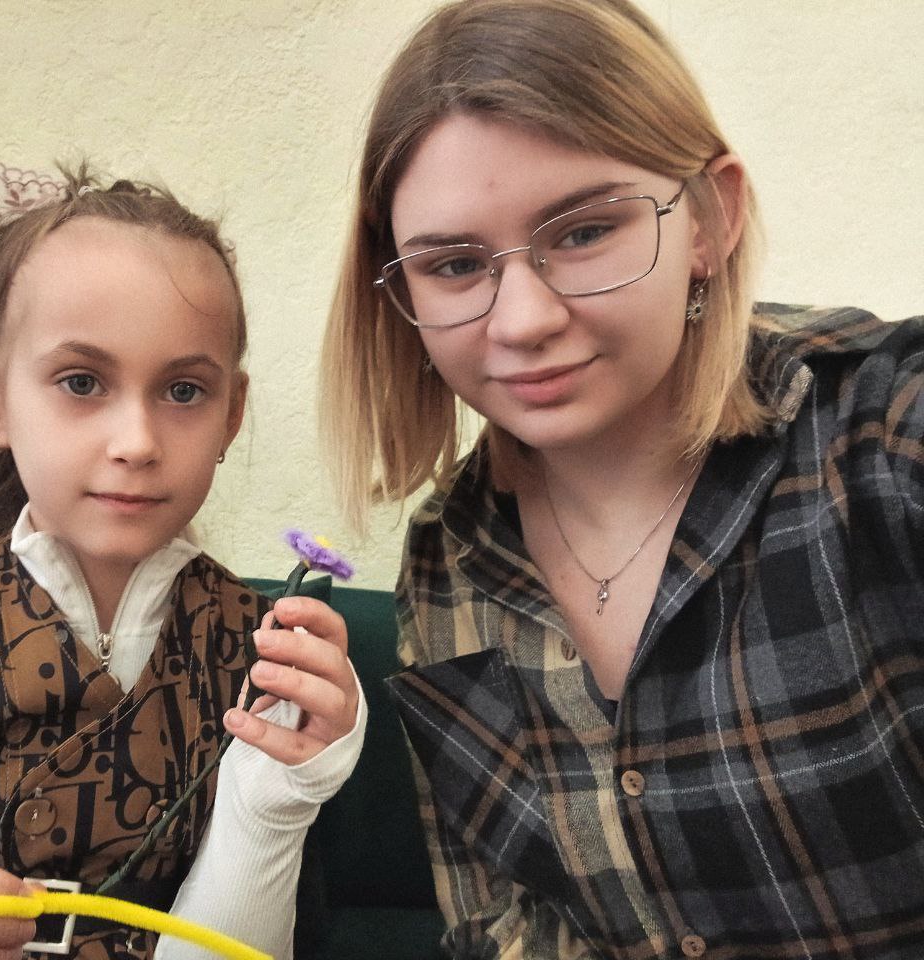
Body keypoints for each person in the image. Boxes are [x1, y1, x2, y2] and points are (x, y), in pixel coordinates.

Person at [320, 1, 924, 958]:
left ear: (710, 218)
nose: (522, 320)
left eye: (584, 232)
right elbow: (499, 926)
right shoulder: (446, 559)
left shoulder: (884, 435)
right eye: (457, 265)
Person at [0, 164, 366, 960]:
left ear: (232, 415)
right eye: (81, 382)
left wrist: (277, 799)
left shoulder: (269, 666)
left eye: (184, 391)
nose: (137, 443)